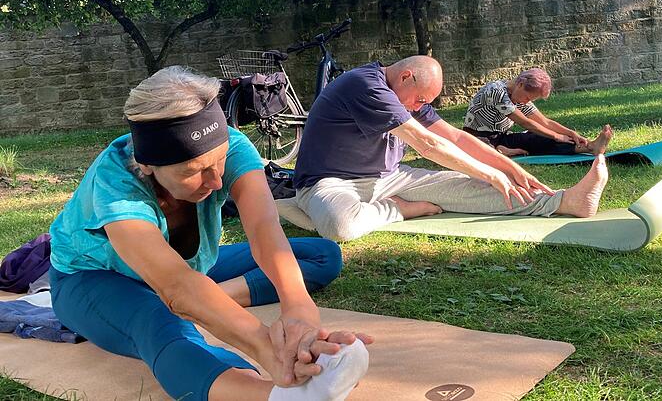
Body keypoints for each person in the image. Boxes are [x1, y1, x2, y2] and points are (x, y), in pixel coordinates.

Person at [48, 67, 370, 401]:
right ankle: (273, 396)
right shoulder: (115, 183)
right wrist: (266, 348)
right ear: (147, 165)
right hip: (91, 279)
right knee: (160, 320)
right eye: (193, 172)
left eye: (218, 162)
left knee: (321, 254)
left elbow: (265, 231)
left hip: (192, 271)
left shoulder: (231, 147)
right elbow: (176, 285)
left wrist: (300, 320)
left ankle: (210, 300)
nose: (216, 182)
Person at [292, 56, 610, 242]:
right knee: (340, 226)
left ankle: (566, 201)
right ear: (405, 77)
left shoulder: (405, 92)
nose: (421, 107)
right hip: (329, 182)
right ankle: (397, 209)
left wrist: (509, 168)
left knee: (471, 187)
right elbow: (428, 144)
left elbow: (455, 137)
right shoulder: (365, 86)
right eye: (420, 100)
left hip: (388, 178)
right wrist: (487, 170)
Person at [462, 68, 613, 157]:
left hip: (501, 137)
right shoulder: (496, 91)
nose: (527, 101)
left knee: (538, 136)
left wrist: (571, 133)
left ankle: (590, 146)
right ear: (520, 84)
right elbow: (526, 122)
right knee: (482, 153)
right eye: (527, 97)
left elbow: (544, 122)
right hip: (478, 137)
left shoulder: (517, 95)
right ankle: (499, 151)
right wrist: (557, 136)